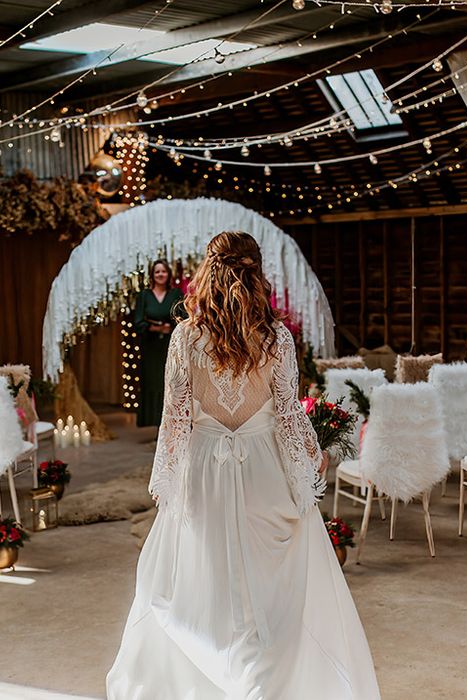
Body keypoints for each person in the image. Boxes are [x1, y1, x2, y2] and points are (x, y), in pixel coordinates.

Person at [107, 232, 380, 699]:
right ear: (258, 276)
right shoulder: (276, 339)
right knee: (270, 593)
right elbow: (289, 414)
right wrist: (308, 467)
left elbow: (174, 419)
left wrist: (166, 484)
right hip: (263, 472)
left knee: (205, 583)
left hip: (204, 471)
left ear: (206, 274)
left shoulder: (184, 337)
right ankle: (263, 683)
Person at [133, 259, 185, 427]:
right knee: (153, 383)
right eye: (157, 272)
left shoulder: (176, 294)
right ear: (152, 275)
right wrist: (155, 329)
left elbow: (184, 319)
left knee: (170, 382)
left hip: (171, 347)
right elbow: (138, 322)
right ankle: (156, 424)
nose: (160, 274)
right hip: (150, 348)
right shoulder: (144, 295)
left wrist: (169, 329)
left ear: (168, 274)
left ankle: (171, 424)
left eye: (163, 271)